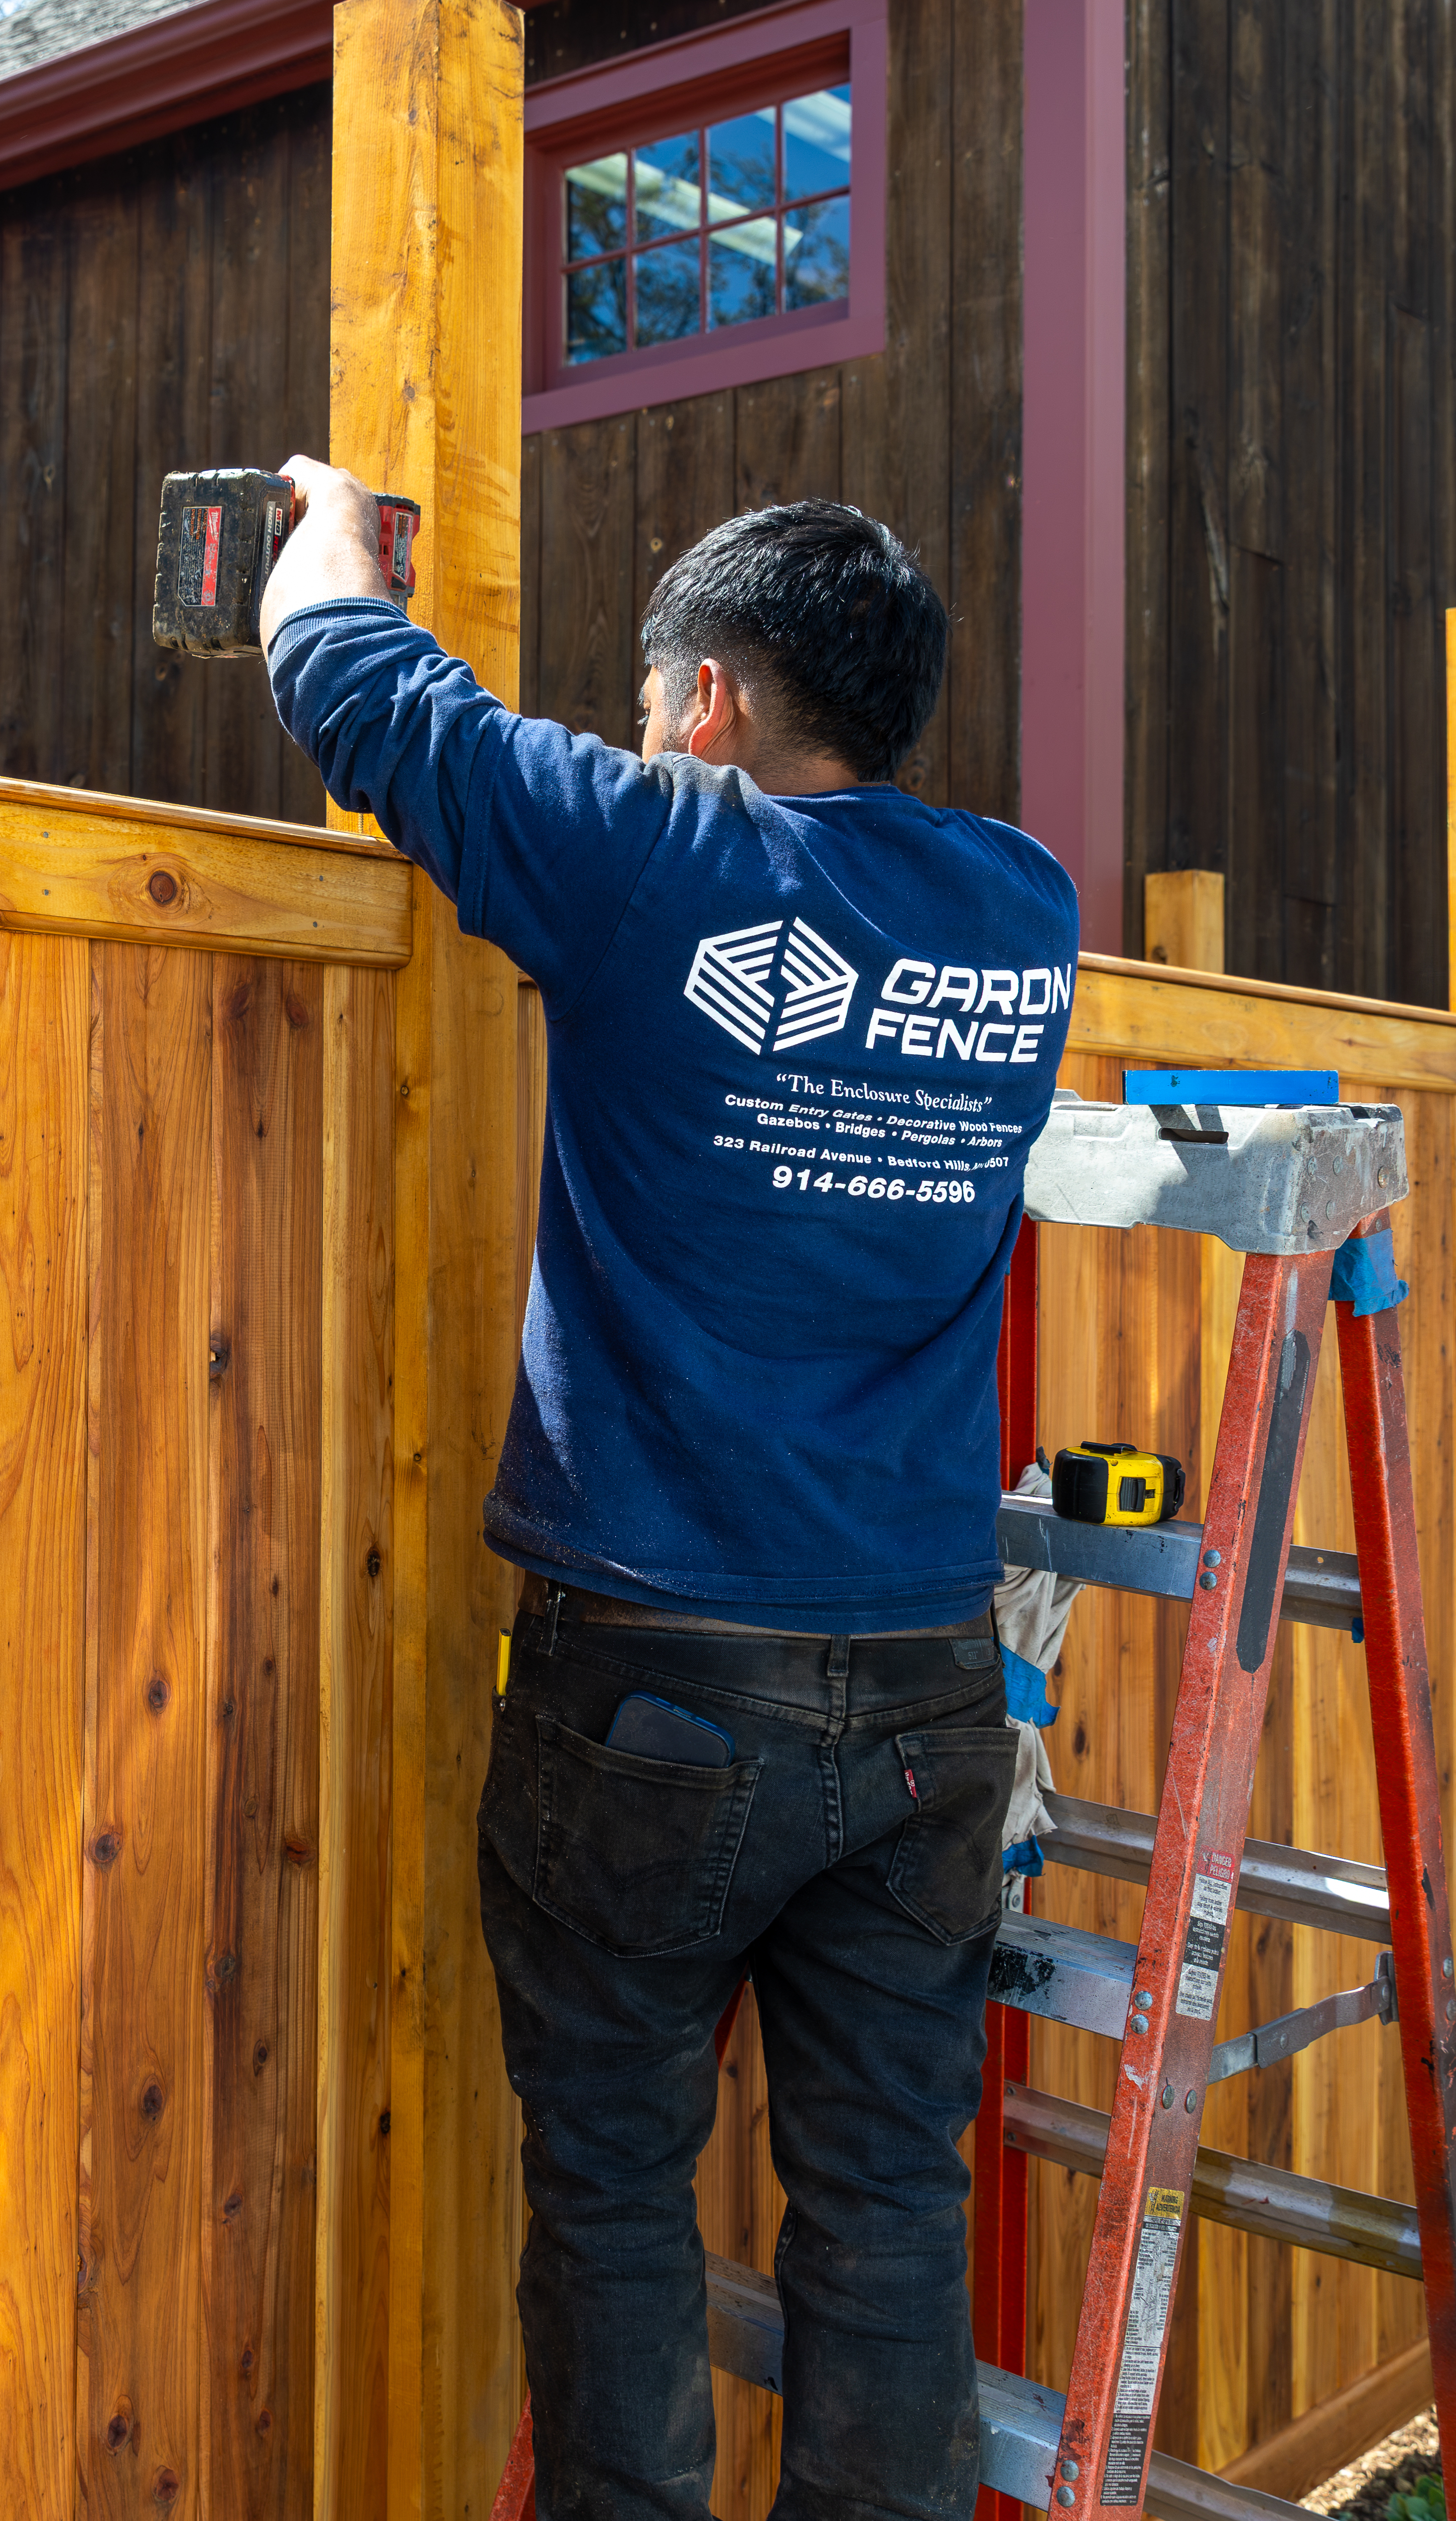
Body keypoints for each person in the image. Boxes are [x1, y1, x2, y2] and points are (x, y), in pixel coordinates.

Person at [259, 463, 1082, 2521]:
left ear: (706, 700)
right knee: (886, 2200)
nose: (630, 734)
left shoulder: (656, 861)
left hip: (651, 1687)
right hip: (918, 1686)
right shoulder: (1018, 907)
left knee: (616, 2189)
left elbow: (344, 675)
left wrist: (325, 527)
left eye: (643, 701)